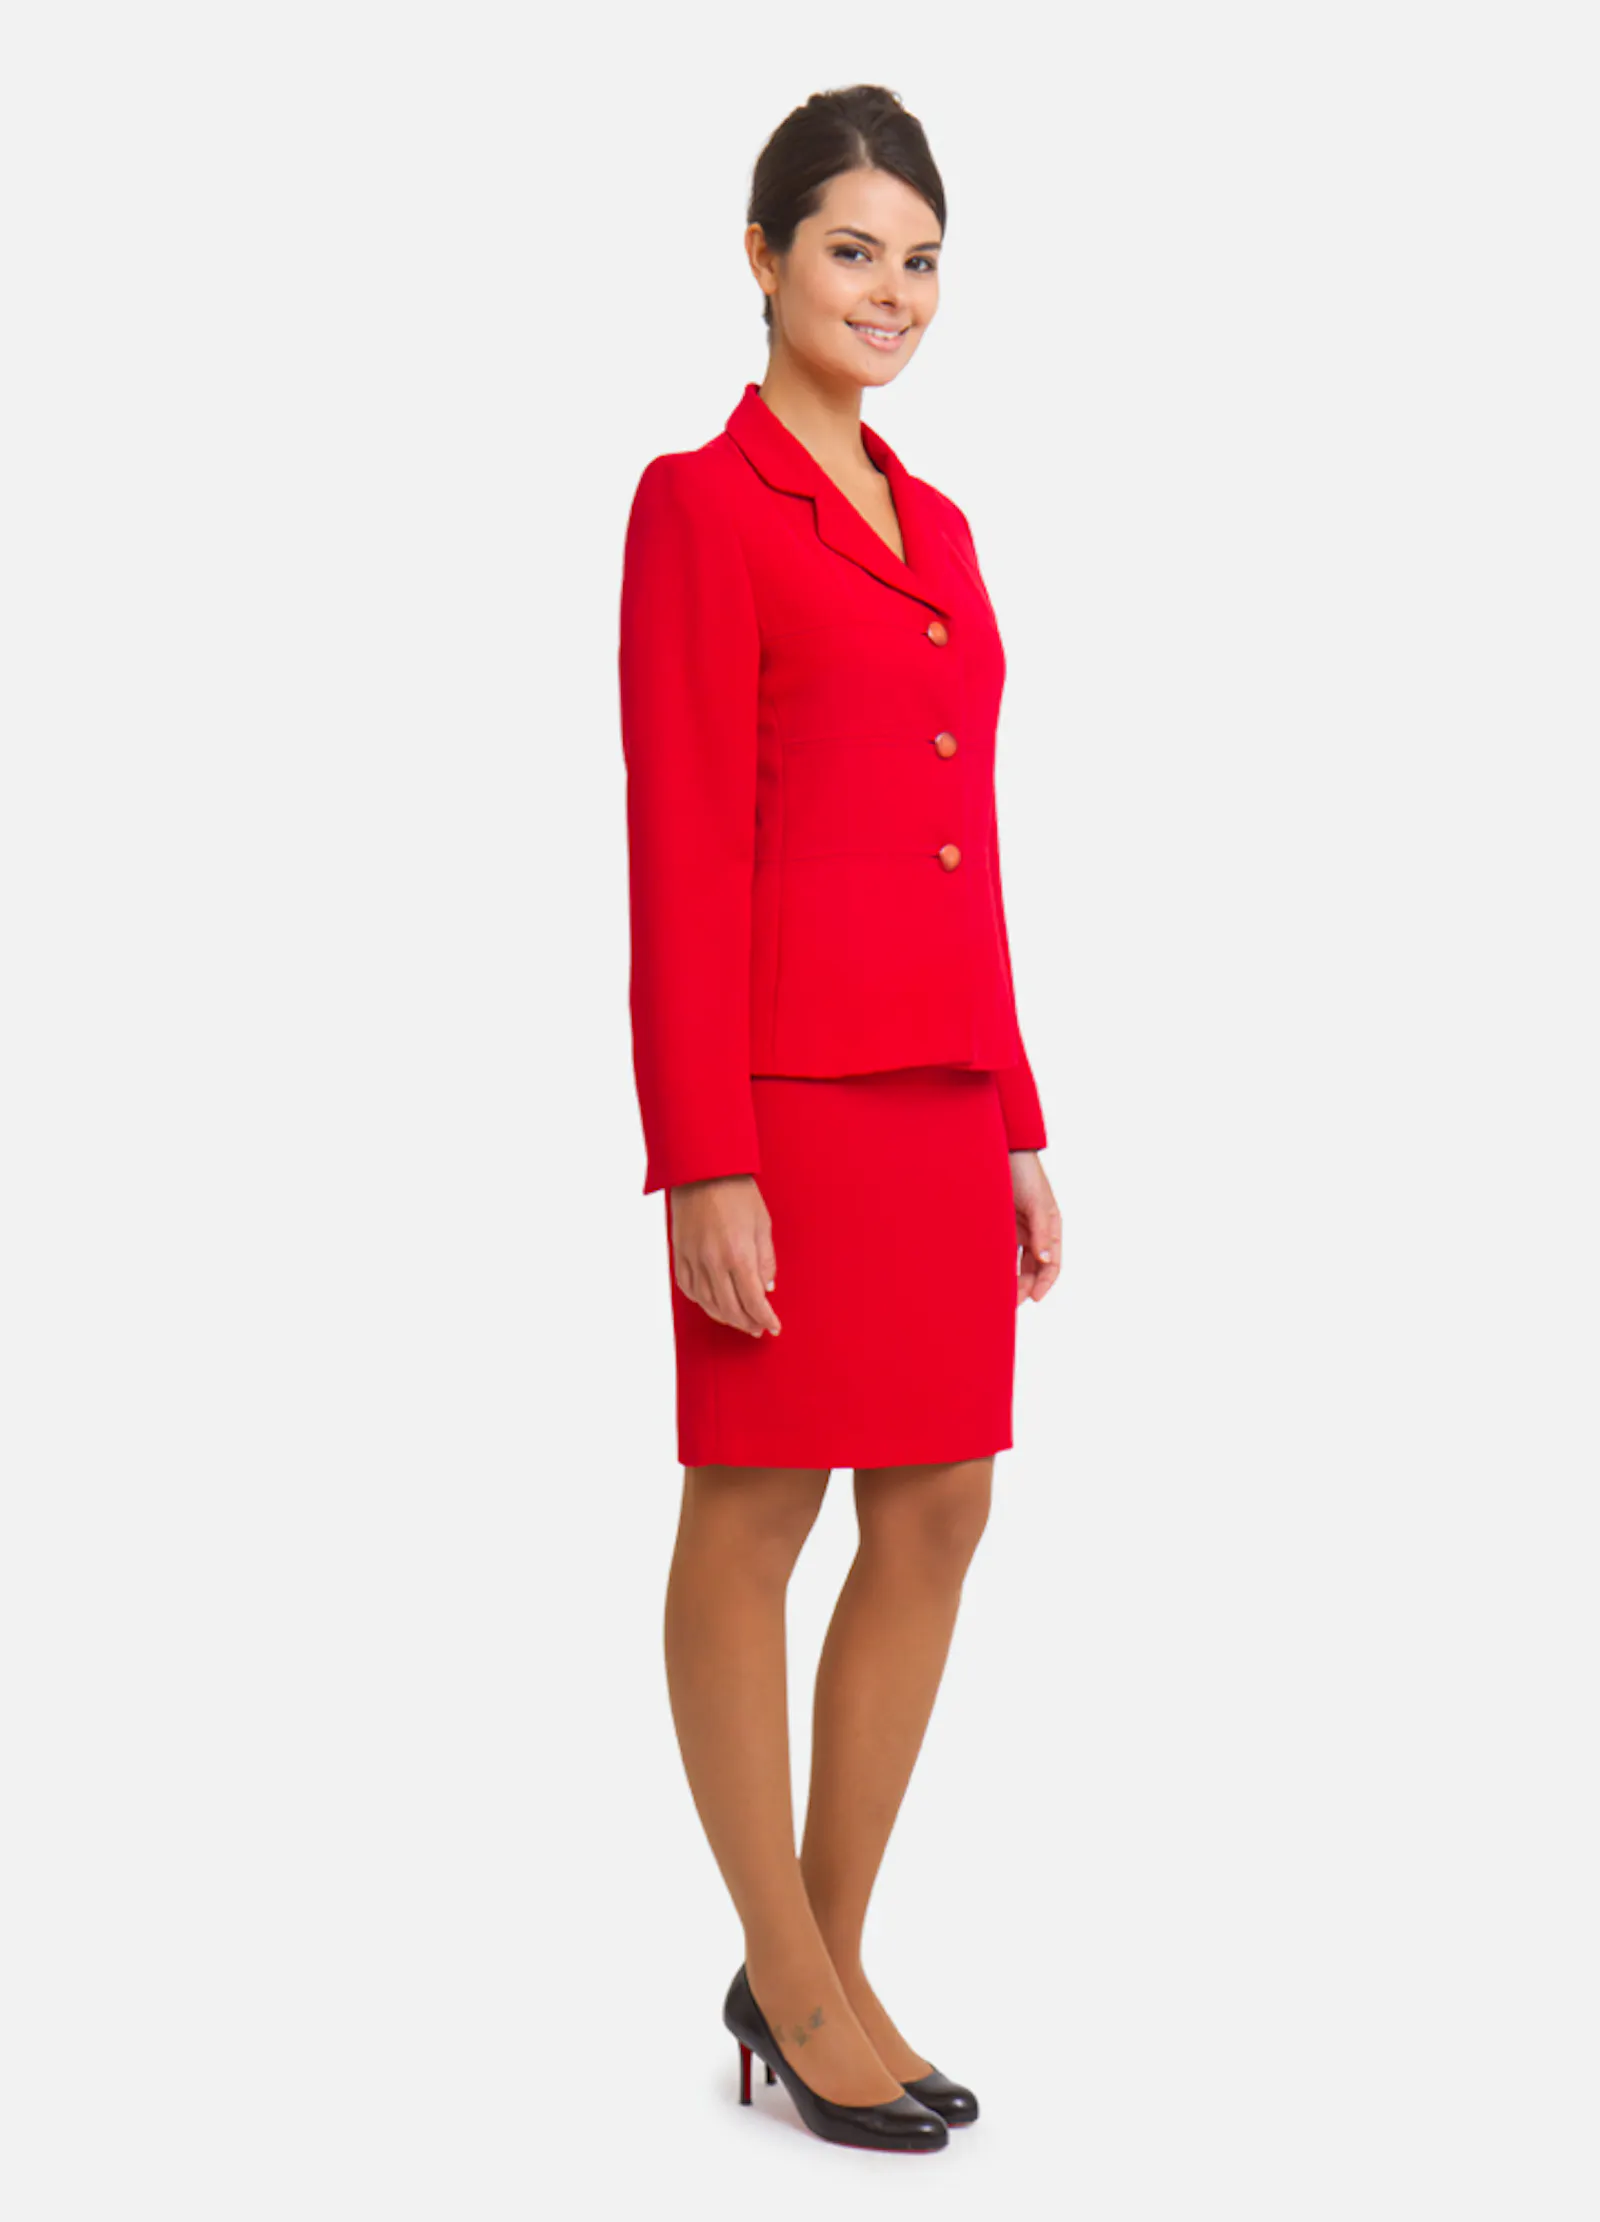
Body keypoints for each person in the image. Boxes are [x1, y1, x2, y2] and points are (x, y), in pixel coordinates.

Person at [616, 84, 1062, 2154]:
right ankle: (793, 1978)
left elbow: (968, 837)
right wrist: (701, 1149)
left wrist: (1016, 1111)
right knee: (756, 1508)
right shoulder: (698, 508)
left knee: (942, 1499)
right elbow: (684, 844)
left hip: (940, 1090)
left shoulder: (939, 527)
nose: (891, 292)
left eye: (920, 258)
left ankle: (820, 1955)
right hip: (784, 1100)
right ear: (763, 258)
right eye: (851, 251)